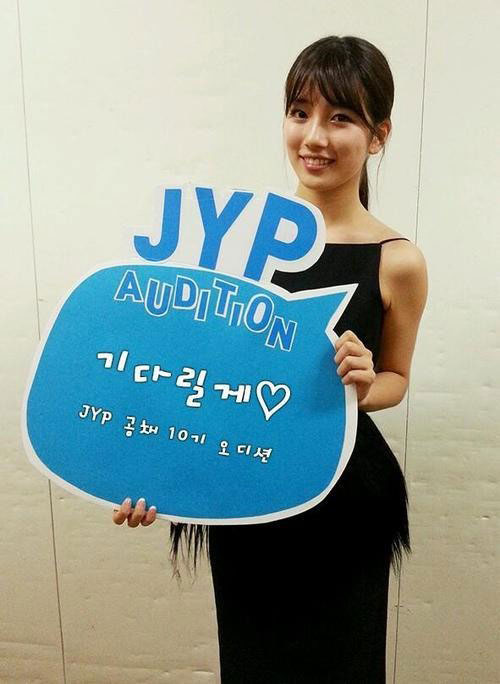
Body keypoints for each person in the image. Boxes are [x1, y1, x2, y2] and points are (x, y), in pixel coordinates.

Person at [113, 34, 428, 683]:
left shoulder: (397, 260)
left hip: (346, 502)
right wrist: (153, 473)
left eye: (341, 117)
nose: (314, 136)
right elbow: (195, 382)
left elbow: (396, 378)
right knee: (253, 663)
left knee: (345, 665)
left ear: (379, 135)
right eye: (299, 112)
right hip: (247, 495)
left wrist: (364, 383)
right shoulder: (235, 247)